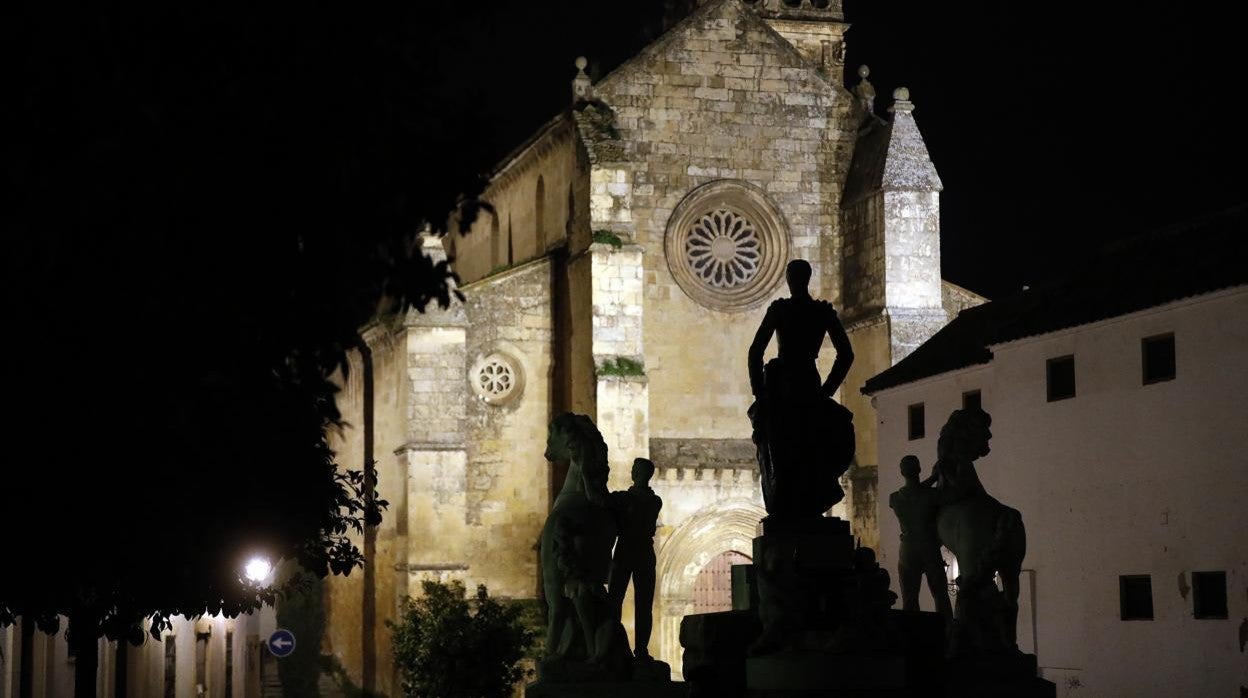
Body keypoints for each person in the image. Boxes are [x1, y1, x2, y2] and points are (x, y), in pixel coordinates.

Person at [747, 259, 855, 518]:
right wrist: (827, 390)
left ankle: (787, 503)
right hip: (809, 382)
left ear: (789, 279)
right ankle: (807, 504)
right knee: (809, 445)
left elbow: (755, 352)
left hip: (783, 384)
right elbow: (846, 355)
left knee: (783, 446)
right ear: (807, 278)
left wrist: (760, 392)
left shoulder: (780, 310)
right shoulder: (822, 312)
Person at [607, 458, 663, 659]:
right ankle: (635, 649)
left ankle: (629, 648)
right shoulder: (654, 500)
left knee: (621, 600)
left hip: (628, 549)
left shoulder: (627, 499)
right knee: (637, 603)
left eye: (634, 470)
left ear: (639, 474)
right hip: (642, 550)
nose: (632, 472)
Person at [889, 455, 953, 623]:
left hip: (907, 550)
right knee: (940, 596)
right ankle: (946, 630)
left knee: (909, 599)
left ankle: (912, 634)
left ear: (902, 472)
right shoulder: (932, 495)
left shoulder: (894, 498)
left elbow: (914, 494)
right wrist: (934, 477)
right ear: (919, 469)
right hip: (929, 547)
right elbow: (923, 494)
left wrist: (931, 479)